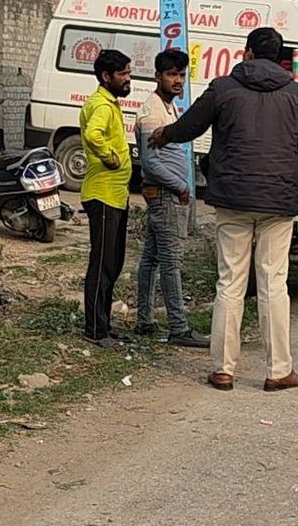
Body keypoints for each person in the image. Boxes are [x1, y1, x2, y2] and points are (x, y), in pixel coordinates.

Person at [150, 27, 298, 392]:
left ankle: (223, 369)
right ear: (280, 59)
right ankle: (279, 370)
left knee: (230, 283)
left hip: (232, 198)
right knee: (272, 284)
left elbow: (189, 126)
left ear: (247, 53)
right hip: (278, 203)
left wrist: (163, 134)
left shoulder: (223, 88)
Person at [134, 49, 209, 349]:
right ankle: (179, 326)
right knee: (171, 262)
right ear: (158, 77)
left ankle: (145, 320)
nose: (178, 81)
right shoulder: (153, 111)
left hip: (166, 195)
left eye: (181, 75)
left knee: (151, 260)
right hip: (165, 196)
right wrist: (181, 186)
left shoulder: (168, 107)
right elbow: (151, 163)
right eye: (171, 75)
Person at [80, 49, 133, 350]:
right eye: (123, 74)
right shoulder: (101, 105)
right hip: (102, 195)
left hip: (115, 196)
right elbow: (92, 135)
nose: (128, 79)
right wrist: (110, 157)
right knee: (101, 265)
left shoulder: (109, 103)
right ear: (106, 77)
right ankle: (95, 330)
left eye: (128, 73)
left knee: (112, 263)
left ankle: (105, 325)